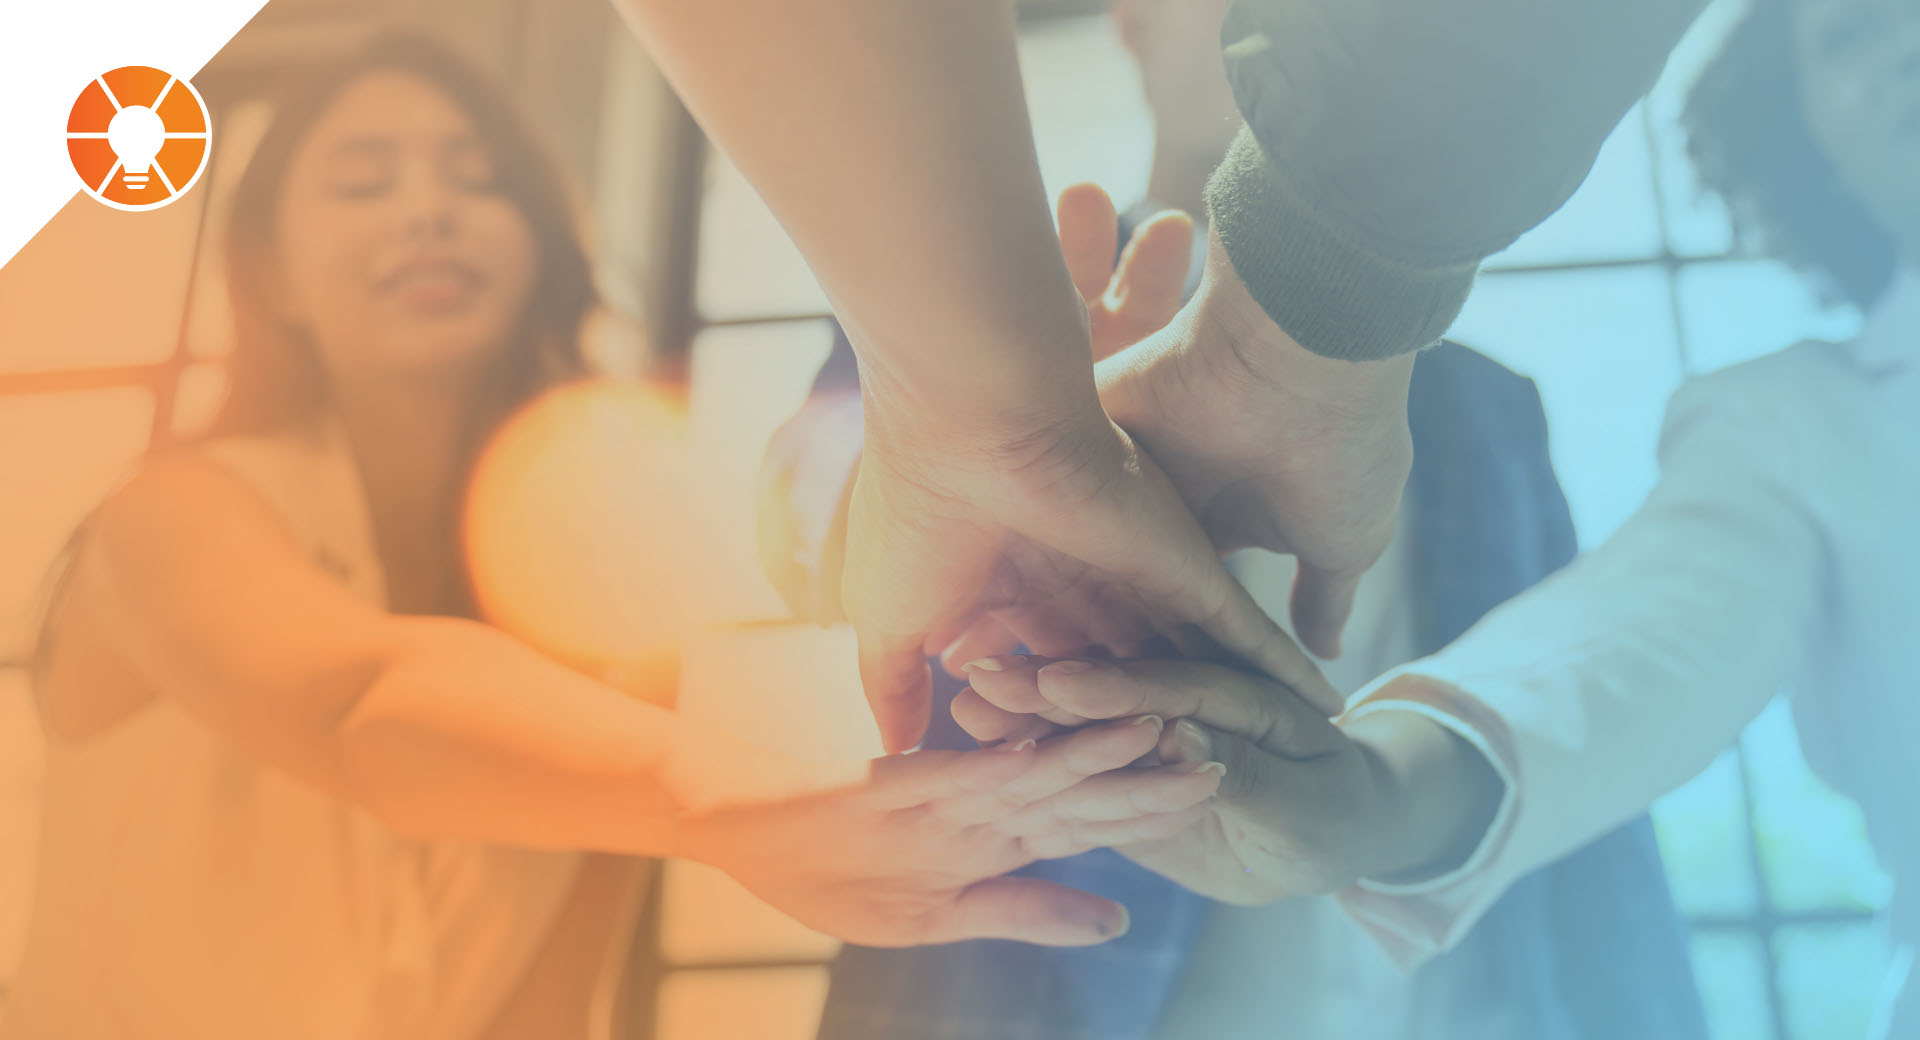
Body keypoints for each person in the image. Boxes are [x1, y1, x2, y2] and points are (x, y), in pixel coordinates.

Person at [0, 34, 1224, 1040]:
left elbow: (541, 1023)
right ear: (271, 273)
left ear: (540, 241)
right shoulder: (169, 518)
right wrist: (742, 806)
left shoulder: (592, 601)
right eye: (364, 182)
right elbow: (361, 704)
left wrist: (1041, 505)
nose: (428, 208)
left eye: (477, 180)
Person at [762, 8, 1717, 1040]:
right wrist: (1019, 425)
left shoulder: (1484, 402)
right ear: (1129, 25)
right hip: (1052, 1036)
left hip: (1466, 1034)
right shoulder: (964, 313)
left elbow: (1562, 709)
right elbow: (818, 531)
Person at [996, 0, 1920, 1040]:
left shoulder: (1480, 402)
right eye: (1850, 32)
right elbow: (1617, 652)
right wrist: (1366, 794)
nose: (1910, 42)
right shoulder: (1801, 430)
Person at [609, 0, 1716, 747]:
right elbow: (808, 506)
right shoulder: (936, 291)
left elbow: (1546, 692)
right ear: (1129, 23)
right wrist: (972, 448)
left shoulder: (1476, 395)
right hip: (1048, 996)